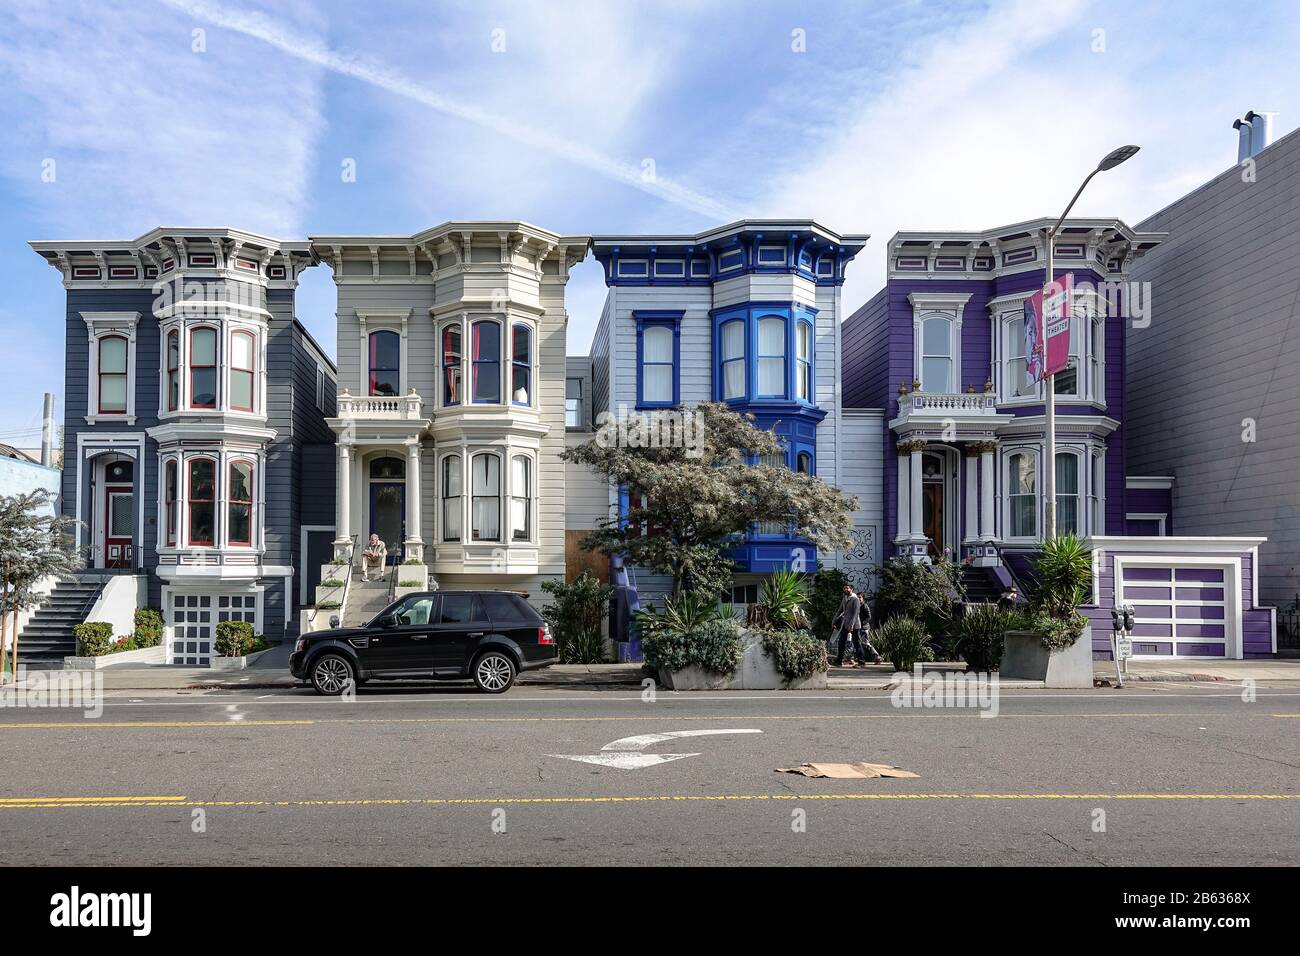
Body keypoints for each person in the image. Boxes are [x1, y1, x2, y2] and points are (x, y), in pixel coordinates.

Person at [852, 587, 885, 665]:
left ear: (863, 598)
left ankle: (877, 656)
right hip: (859, 627)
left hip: (864, 627)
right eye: (857, 598)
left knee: (865, 643)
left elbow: (869, 617)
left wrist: (862, 623)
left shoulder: (865, 606)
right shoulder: (858, 606)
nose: (858, 599)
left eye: (859, 597)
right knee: (860, 643)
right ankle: (876, 657)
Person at [832, 583, 863, 667]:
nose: (845, 589)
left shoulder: (855, 599)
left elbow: (855, 613)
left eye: (847, 588)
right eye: (844, 588)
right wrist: (834, 621)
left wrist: (851, 625)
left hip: (855, 625)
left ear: (851, 589)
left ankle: (861, 661)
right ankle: (839, 661)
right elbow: (840, 610)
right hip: (845, 624)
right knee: (841, 642)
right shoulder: (845, 598)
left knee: (857, 643)